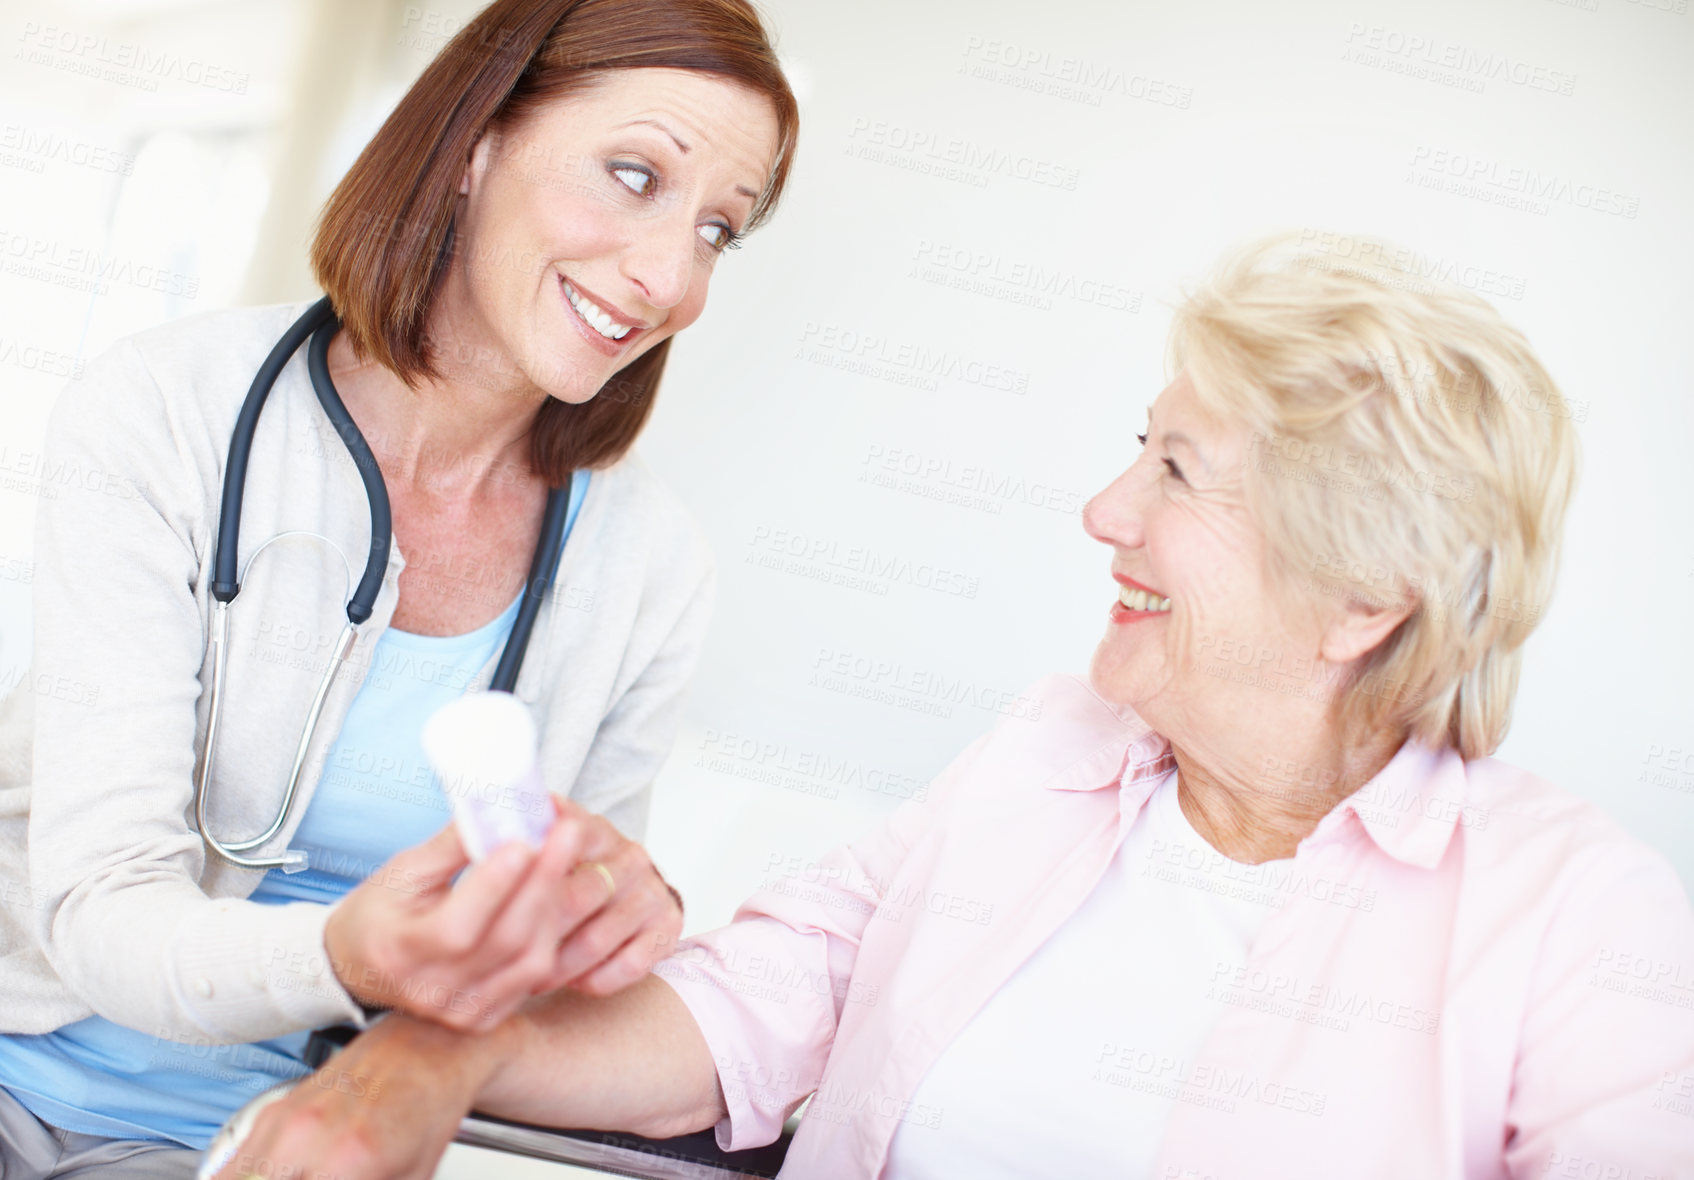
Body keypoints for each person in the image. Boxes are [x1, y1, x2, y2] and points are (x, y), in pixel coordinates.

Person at [217, 235, 1694, 1180]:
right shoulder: (1051, 758)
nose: (1105, 509)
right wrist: (433, 1049)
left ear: (1363, 596)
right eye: (1140, 447)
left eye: (1177, 473)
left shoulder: (1573, 922)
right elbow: (746, 1011)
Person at [0, 0, 797, 1174]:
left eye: (720, 230)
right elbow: (98, 908)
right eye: (634, 175)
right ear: (476, 142)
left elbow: (543, 982)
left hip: (285, 1141)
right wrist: (346, 954)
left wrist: (606, 920)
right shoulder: (165, 411)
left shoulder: (647, 568)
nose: (670, 275)